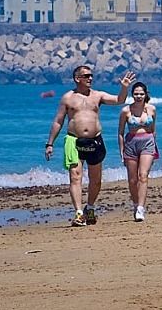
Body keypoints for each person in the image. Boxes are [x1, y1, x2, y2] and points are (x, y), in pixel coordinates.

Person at [45, 64, 136, 226]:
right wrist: (50, 143)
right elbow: (58, 121)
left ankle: (90, 207)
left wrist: (124, 87)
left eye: (91, 75)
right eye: (86, 76)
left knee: (95, 180)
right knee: (75, 177)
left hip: (95, 140)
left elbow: (119, 100)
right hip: (74, 141)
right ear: (77, 78)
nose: (90, 78)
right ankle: (79, 213)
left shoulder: (98, 95)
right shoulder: (68, 98)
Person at [117, 81, 159, 222]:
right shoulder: (125, 111)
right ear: (132, 95)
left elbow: (153, 130)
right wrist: (121, 150)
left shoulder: (151, 109)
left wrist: (154, 147)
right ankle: (135, 204)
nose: (139, 96)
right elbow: (120, 132)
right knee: (132, 179)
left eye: (141, 94)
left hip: (147, 143)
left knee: (143, 175)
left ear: (145, 94)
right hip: (131, 144)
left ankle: (141, 208)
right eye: (136, 94)